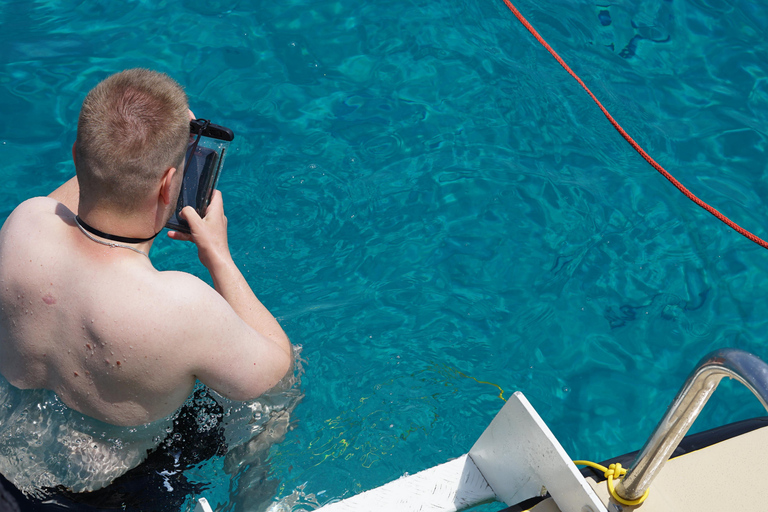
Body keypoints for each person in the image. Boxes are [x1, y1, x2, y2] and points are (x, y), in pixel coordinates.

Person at [0, 69, 293, 506]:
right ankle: (253, 498)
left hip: (8, 473)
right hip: (105, 495)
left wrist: (135, 146)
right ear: (167, 185)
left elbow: (92, 173)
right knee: (276, 399)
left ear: (78, 155)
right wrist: (218, 255)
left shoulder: (25, 223)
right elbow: (274, 371)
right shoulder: (182, 304)